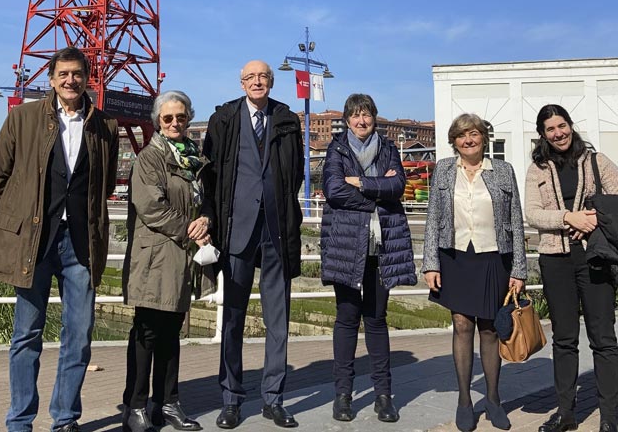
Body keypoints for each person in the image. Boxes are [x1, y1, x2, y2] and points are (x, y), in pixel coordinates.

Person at [0, 46, 119, 432]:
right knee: (26, 334)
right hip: (34, 241)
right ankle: (20, 421)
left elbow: (103, 185)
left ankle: (65, 419)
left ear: (87, 77)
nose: (70, 81)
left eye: (77, 74)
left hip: (81, 244)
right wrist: (21, 213)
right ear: (52, 78)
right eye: (63, 74)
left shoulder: (104, 126)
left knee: (79, 335)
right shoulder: (23, 118)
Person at [202, 60, 303, 429]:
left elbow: (294, 172)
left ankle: (274, 399)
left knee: (279, 319)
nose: (257, 82)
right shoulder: (224, 119)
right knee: (232, 317)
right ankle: (231, 399)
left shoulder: (288, 119)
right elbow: (209, 175)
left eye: (263, 77)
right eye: (250, 77)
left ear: (271, 82)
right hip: (237, 230)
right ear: (241, 82)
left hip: (276, 230)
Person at [422, 114, 526, 432]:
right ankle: (465, 400)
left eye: (474, 134)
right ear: (454, 141)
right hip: (455, 256)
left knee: (491, 329)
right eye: (461, 135)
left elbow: (516, 221)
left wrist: (519, 269)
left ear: (483, 137)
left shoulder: (503, 170)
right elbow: (433, 217)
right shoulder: (443, 169)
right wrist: (430, 264)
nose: (468, 140)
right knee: (461, 325)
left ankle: (494, 400)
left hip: (494, 256)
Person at [321, 93, 416, 423]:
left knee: (376, 319)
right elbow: (333, 190)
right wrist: (379, 193)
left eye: (367, 115)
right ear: (347, 120)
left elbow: (400, 186)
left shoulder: (389, 149)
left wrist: (361, 182)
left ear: (374, 118)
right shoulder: (337, 149)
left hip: (382, 247)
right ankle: (343, 395)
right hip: (347, 246)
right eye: (356, 116)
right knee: (346, 319)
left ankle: (383, 395)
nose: (362, 121)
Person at [121, 90, 212, 432]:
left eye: (181, 117)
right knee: (146, 331)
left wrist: (206, 220)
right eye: (168, 118)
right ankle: (136, 406)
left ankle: (168, 402)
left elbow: (204, 201)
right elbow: (150, 206)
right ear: (157, 121)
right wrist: (190, 228)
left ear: (189, 119)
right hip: (156, 256)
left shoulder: (195, 159)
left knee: (172, 332)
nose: (175, 123)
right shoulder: (150, 157)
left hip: (182, 255)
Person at [525, 104, 618, 432]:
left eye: (561, 125)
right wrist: (567, 218)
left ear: (570, 125)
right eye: (550, 129)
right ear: (543, 134)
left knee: (603, 337)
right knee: (564, 338)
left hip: (595, 258)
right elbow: (532, 213)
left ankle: (610, 417)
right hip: (555, 261)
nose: (558, 133)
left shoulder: (596, 161)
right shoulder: (537, 168)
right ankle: (565, 414)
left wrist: (591, 218)